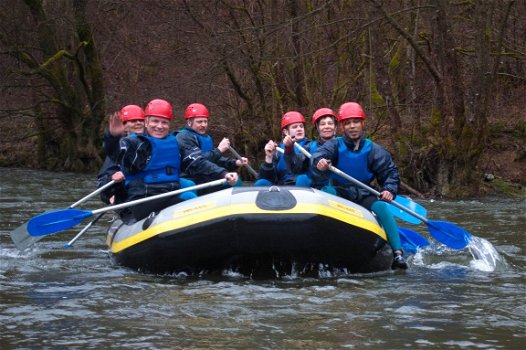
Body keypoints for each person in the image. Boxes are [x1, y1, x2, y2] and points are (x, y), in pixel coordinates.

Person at [310, 102, 408, 270]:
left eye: (356, 122)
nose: (352, 126)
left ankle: (398, 255)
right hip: (340, 190)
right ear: (342, 126)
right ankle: (325, 245)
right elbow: (319, 154)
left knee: (382, 207)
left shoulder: (374, 150)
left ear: (362, 123)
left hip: (363, 192)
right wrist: (319, 161)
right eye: (348, 123)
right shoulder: (334, 145)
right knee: (327, 192)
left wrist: (389, 190)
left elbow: (390, 173)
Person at [118, 99, 232, 222]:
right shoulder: (137, 143)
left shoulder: (175, 143)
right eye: (155, 121)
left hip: (169, 194)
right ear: (146, 122)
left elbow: (197, 162)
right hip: (145, 200)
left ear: (169, 125)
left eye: (164, 122)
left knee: (190, 194)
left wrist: (223, 173)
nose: (160, 126)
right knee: (188, 197)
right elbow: (124, 152)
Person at [175, 102, 244, 194]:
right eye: (199, 122)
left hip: (206, 177)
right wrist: (219, 150)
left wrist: (235, 162)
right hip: (191, 178)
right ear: (189, 122)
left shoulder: (205, 137)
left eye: (205, 121)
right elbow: (198, 162)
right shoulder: (183, 137)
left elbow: (214, 159)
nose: (203, 125)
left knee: (236, 182)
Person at [96, 105, 146, 222]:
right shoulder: (118, 150)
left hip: (152, 194)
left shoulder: (152, 142)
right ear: (124, 126)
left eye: (141, 120)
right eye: (133, 121)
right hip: (128, 201)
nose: (138, 123)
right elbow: (104, 185)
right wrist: (114, 184)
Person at [255, 111, 311, 186]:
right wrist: (269, 157)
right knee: (261, 183)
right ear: (286, 132)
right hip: (282, 188)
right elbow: (267, 178)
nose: (299, 129)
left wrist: (289, 149)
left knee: (302, 178)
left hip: (301, 186)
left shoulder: (310, 146)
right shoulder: (278, 150)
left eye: (301, 126)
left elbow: (298, 167)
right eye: (295, 127)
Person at [294, 107, 338, 193]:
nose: (327, 127)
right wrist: (288, 150)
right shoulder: (309, 147)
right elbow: (295, 168)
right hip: (314, 190)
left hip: (336, 191)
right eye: (322, 124)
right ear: (317, 127)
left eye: (330, 123)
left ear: (335, 127)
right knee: (302, 179)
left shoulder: (343, 145)